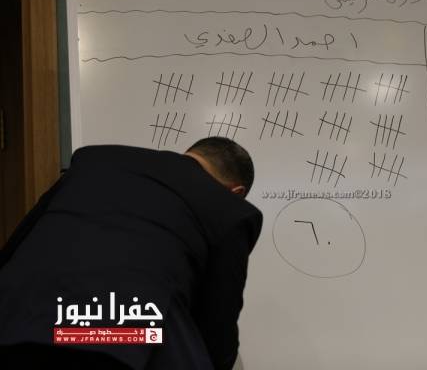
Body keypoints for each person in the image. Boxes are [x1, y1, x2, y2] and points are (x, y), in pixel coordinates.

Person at [0, 137, 263, 370]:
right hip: (121, 340)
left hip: (17, 319)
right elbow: (217, 330)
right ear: (237, 192)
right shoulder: (229, 207)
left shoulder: (95, 160)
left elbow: (17, 242)